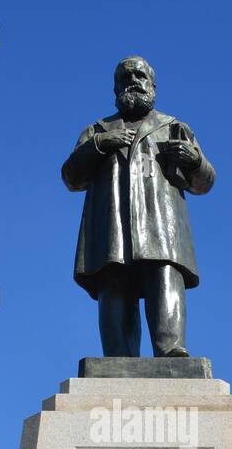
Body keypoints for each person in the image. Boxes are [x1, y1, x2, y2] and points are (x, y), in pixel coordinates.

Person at [62, 56, 216, 358]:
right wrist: (100, 145)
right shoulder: (97, 130)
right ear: (115, 87)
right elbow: (71, 177)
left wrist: (194, 159)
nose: (133, 80)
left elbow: (205, 182)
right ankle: (118, 358)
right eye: (126, 76)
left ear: (152, 85)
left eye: (140, 75)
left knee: (164, 276)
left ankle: (172, 350)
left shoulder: (173, 128)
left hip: (161, 223)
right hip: (112, 225)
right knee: (115, 283)